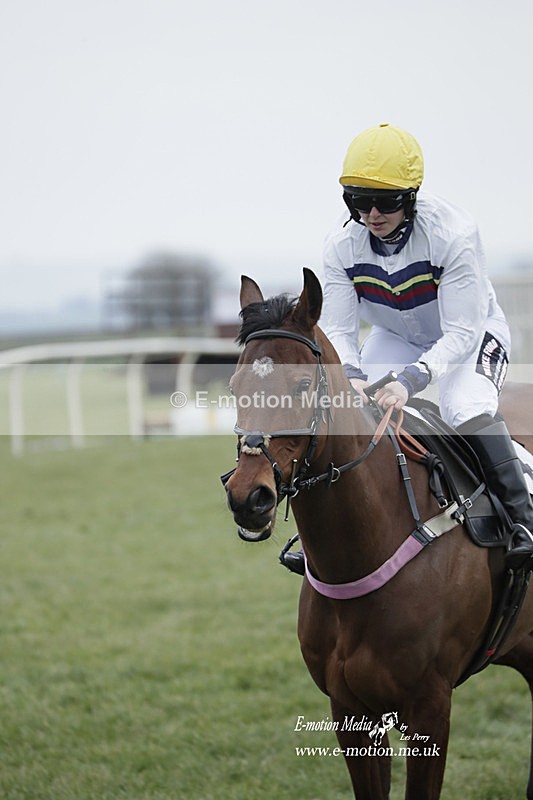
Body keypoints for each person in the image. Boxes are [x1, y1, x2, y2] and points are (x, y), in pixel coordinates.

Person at [281, 122, 533, 575]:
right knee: (347, 410)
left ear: (412, 195)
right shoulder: (341, 246)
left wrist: (411, 380)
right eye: (358, 201)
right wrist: (352, 379)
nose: (372, 214)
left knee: (464, 407)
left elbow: (459, 332)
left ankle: (522, 520)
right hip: (395, 336)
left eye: (387, 202)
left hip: (468, 336)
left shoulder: (454, 233)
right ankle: (324, 534)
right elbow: (339, 329)